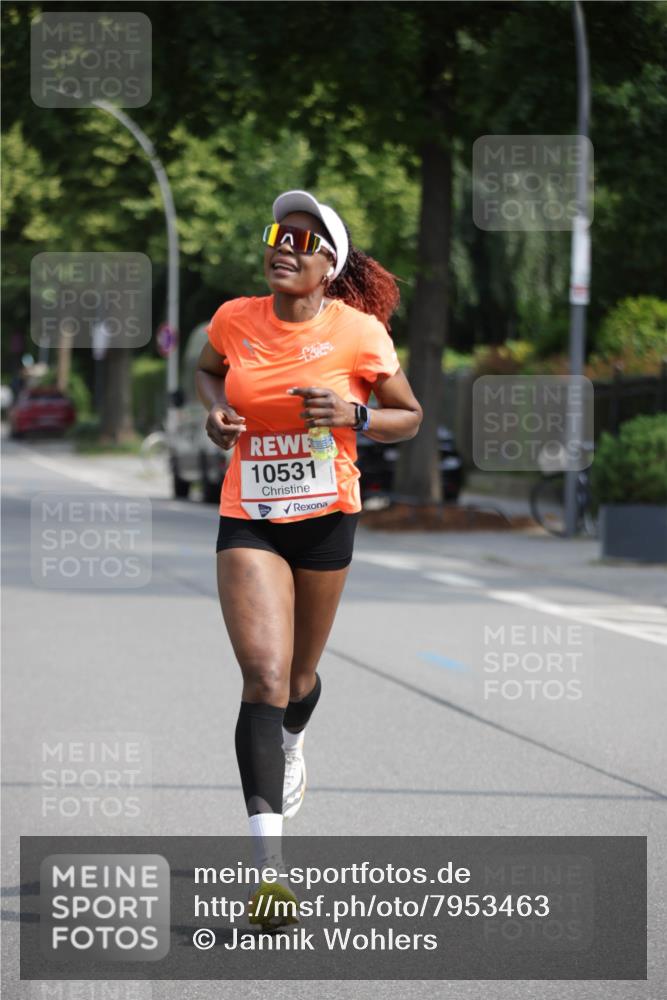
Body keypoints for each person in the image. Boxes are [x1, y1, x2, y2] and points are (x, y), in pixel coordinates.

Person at [195, 189, 422, 927]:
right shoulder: (233, 319)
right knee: (262, 675)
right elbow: (206, 369)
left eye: (303, 239)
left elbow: (407, 417)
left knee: (298, 678)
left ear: (330, 265)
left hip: (327, 516)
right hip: (250, 515)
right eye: (276, 234)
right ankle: (269, 876)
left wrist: (355, 413)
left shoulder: (359, 333)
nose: (284, 246)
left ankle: (293, 740)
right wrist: (214, 412)